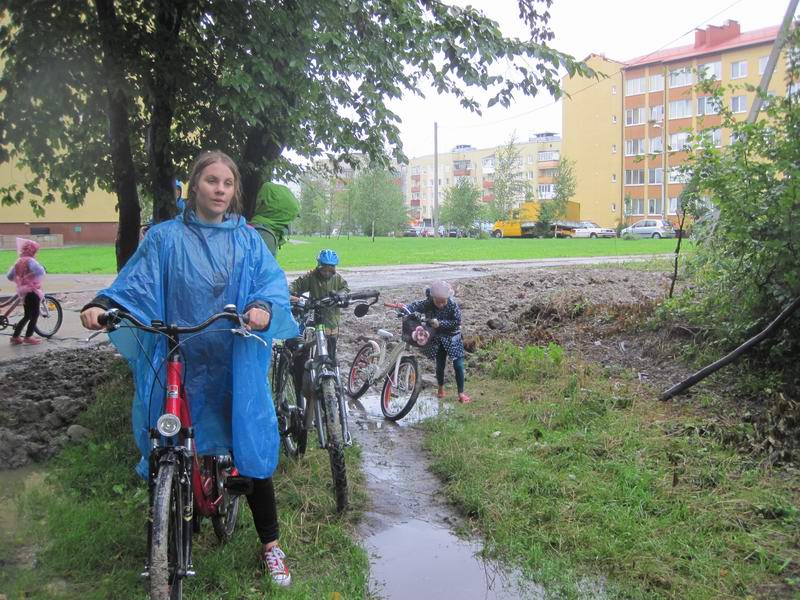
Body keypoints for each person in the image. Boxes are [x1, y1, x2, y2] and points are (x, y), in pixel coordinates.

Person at [80, 151, 299, 587]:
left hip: (232, 357)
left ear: (235, 192)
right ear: (195, 185)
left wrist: (260, 308)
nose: (220, 189)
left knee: (247, 444)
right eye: (212, 181)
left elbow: (269, 285)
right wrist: (103, 304)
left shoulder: (247, 241)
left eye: (228, 183)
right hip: (179, 354)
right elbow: (135, 283)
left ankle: (271, 546)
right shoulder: (164, 239)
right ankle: (168, 528)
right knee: (170, 442)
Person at [404, 280, 470, 403]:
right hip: (437, 338)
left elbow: (457, 322)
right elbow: (414, 306)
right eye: (438, 302)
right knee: (440, 364)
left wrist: (441, 323)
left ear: (448, 298)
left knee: (458, 365)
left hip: (453, 337)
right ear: (432, 297)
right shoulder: (427, 303)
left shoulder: (452, 305)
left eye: (443, 302)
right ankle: (440, 388)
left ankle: (461, 393)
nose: (441, 305)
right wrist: (404, 308)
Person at [289, 249, 349, 360]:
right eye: (324, 269)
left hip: (332, 319)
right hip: (315, 316)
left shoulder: (337, 278)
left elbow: (345, 289)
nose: (327, 273)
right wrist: (291, 295)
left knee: (331, 350)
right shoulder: (311, 276)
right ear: (319, 266)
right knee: (307, 346)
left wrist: (341, 295)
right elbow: (295, 285)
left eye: (330, 269)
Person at [6, 237, 45, 345]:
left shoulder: (18, 261)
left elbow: (9, 276)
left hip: (23, 291)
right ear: (32, 251)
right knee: (35, 314)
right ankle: (28, 336)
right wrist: (41, 268)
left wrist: (21, 277)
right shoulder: (31, 261)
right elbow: (39, 272)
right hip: (32, 290)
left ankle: (16, 336)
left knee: (27, 314)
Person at [249, 182, 300, 256]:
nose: (289, 223)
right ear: (281, 215)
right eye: (289, 219)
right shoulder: (265, 236)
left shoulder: (255, 228)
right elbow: (265, 267)